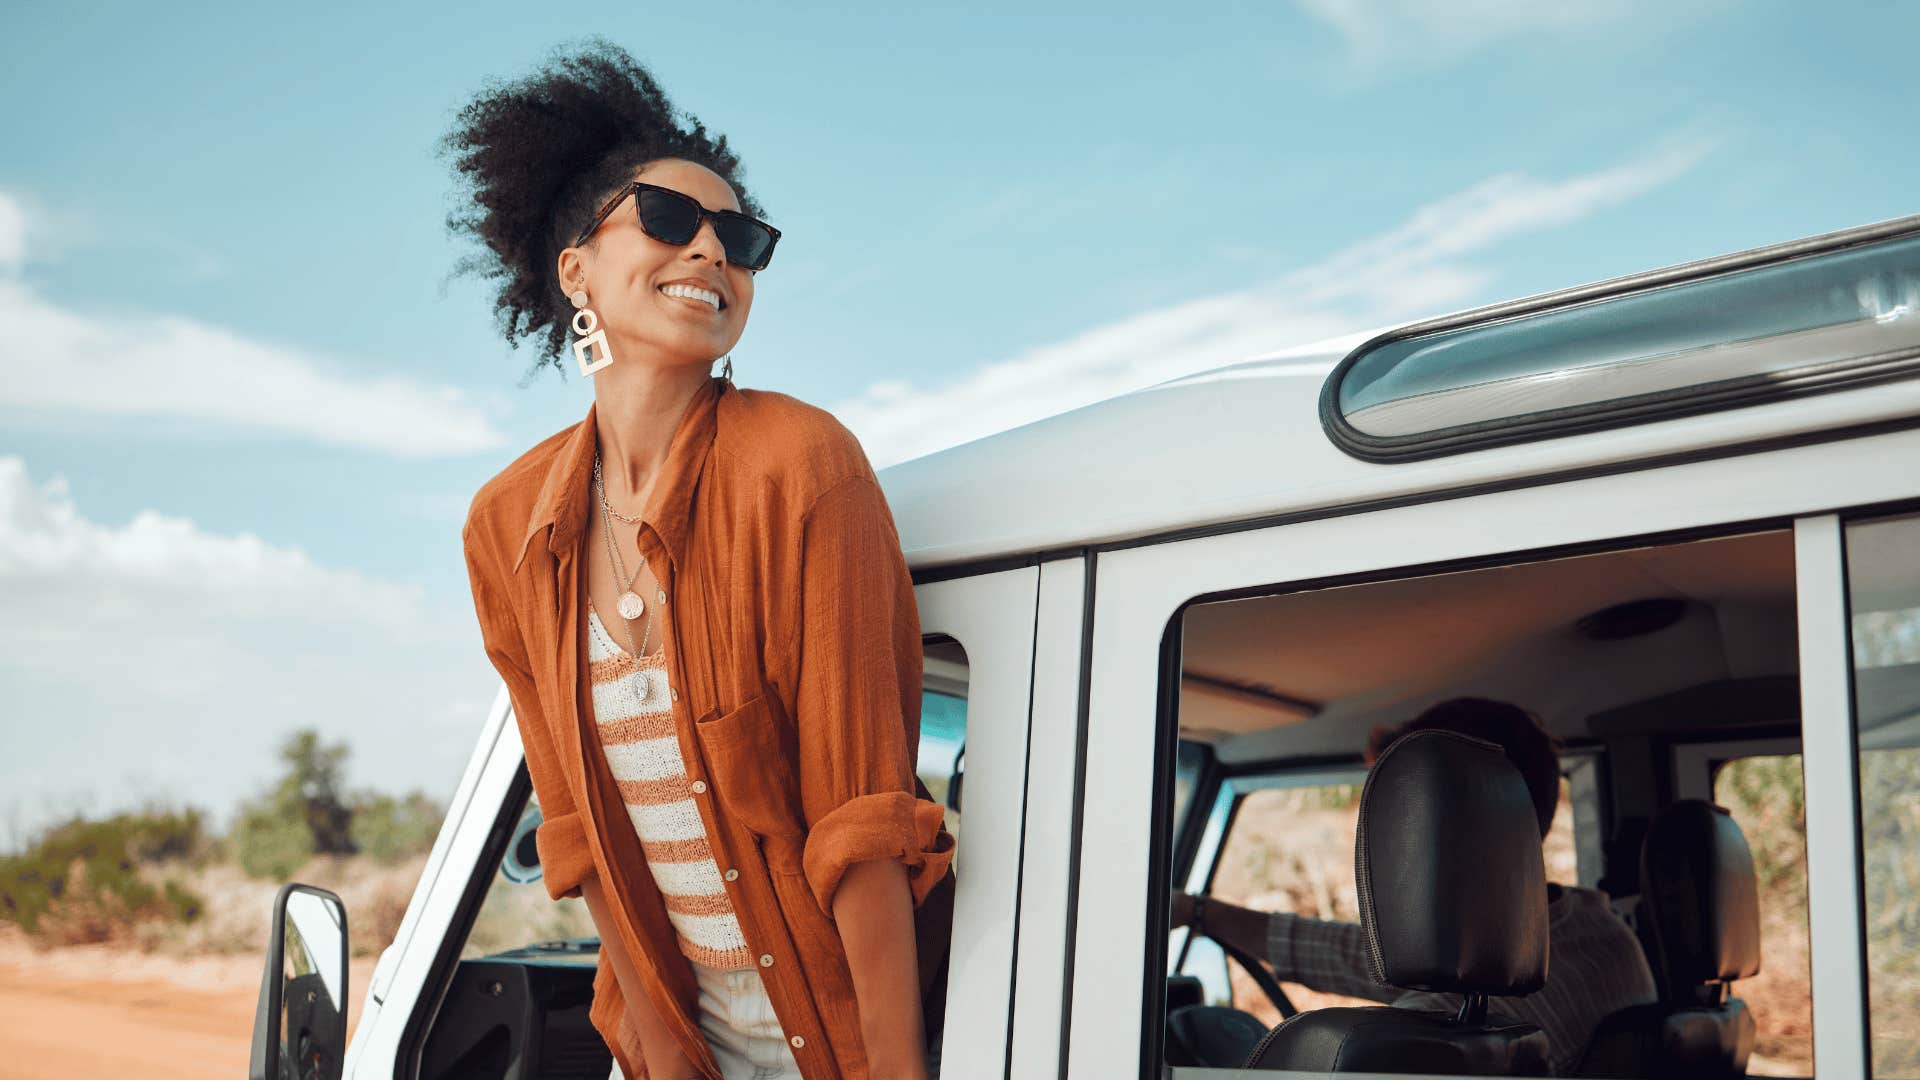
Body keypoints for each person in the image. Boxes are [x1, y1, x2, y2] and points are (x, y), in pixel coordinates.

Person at [450, 38, 954, 1080]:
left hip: (841, 1047)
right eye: (670, 221)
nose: (710, 252)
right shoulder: (506, 526)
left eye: (740, 237)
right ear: (576, 267)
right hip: (672, 1051)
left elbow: (865, 826)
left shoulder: (801, 464)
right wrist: (665, 1059)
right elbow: (581, 836)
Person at [1171, 698, 1656, 1077]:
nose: (1372, 846)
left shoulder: (1449, 1030)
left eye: (1394, 815)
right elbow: (1349, 952)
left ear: (1433, 831)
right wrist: (1200, 912)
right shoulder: (1602, 933)